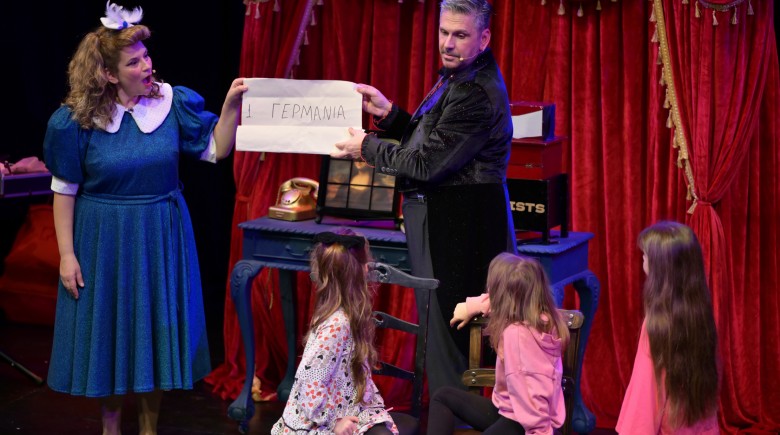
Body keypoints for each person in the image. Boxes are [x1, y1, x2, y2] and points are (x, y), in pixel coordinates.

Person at [42, 2, 247, 434]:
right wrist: (67, 255)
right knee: (111, 334)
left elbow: (216, 149)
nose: (147, 65)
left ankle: (150, 430)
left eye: (146, 56)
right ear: (109, 74)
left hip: (160, 232)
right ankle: (111, 429)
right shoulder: (77, 121)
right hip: (104, 237)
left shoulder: (171, 103)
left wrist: (231, 104)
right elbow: (64, 190)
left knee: (154, 333)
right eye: (134, 62)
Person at [332, 0, 516, 393]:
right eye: (444, 32)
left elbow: (427, 163)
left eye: (460, 35)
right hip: (445, 215)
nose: (448, 43)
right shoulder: (460, 75)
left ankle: (455, 411)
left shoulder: (475, 91)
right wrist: (390, 114)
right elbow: (435, 142)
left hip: (459, 221)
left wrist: (366, 147)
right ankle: (450, 408)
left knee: (448, 335)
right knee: (441, 332)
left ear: (484, 38)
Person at [271, 229, 397, 435]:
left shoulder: (345, 316)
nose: (368, 267)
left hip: (344, 404)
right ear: (356, 273)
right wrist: (333, 421)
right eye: (365, 263)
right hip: (318, 420)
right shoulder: (337, 325)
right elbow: (310, 380)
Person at [427, 252, 569, 434]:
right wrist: (472, 306)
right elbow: (495, 301)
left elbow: (534, 396)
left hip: (527, 424)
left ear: (504, 296)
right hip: (509, 410)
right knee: (442, 397)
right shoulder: (539, 315)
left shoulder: (517, 335)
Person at [616, 221, 720, 434]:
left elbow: (646, 395)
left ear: (660, 267)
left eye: (645, 256)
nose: (642, 259)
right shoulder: (700, 314)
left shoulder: (657, 324)